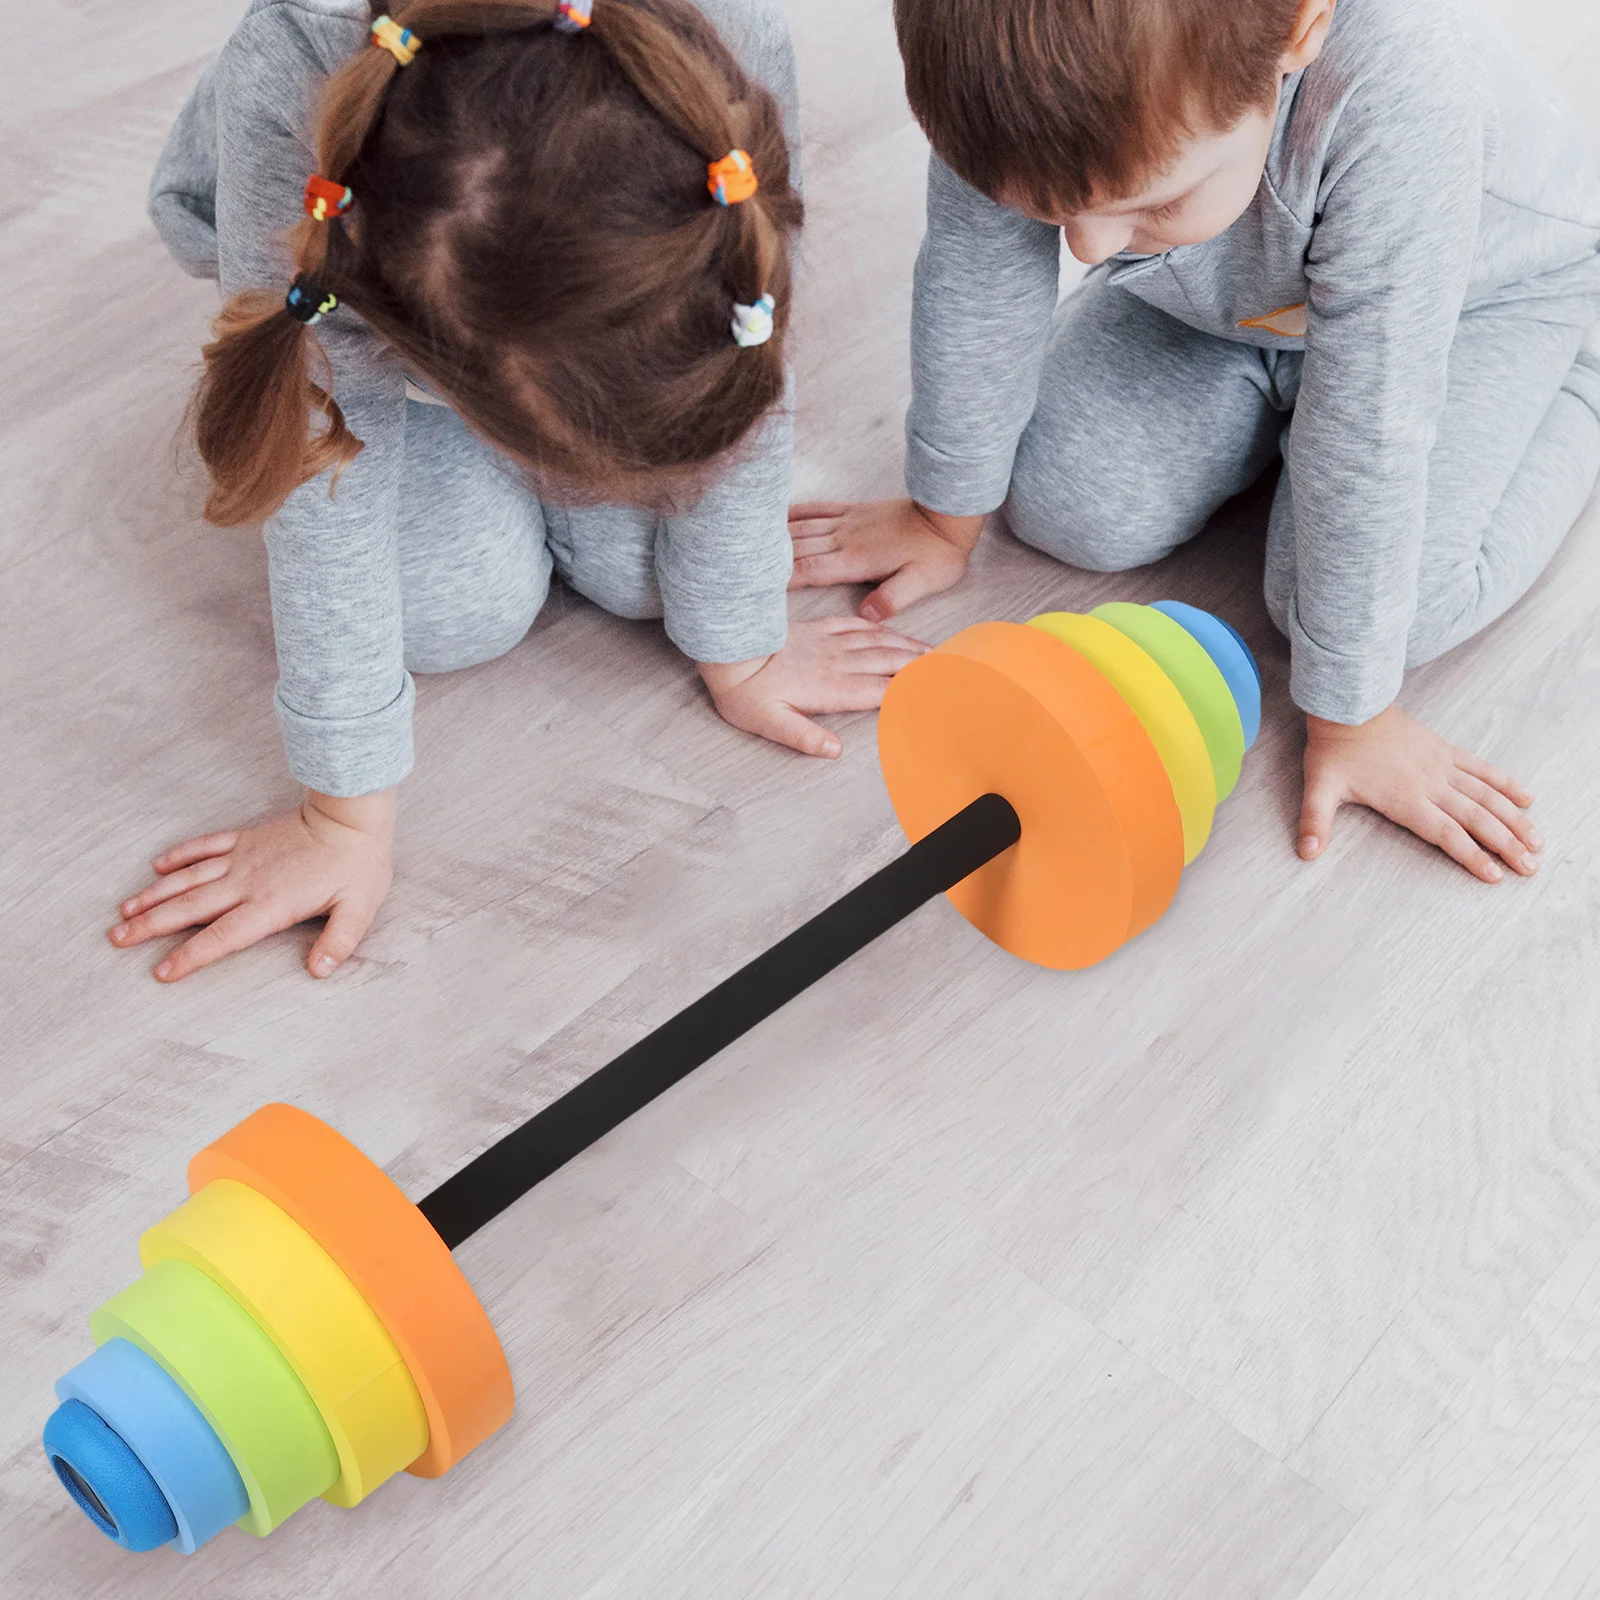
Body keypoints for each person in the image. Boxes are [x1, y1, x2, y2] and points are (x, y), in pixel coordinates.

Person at [112, 0, 923, 983]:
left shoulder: (726, 41)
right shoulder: (296, 76)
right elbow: (319, 468)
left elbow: (748, 347)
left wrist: (741, 641)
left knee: (659, 579)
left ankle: (586, 432)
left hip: (513, 298)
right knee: (456, 609)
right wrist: (344, 810)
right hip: (337, 265)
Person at [792, 0, 1600, 883]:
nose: (1090, 251)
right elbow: (974, 271)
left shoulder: (1404, 90)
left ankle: (1582, 377)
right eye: (1055, 212)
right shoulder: (998, 57)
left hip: (1485, 302)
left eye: (1151, 202)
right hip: (1244, 305)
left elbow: (1372, 423)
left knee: (1377, 615)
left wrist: (1353, 717)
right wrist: (944, 511)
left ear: (1298, 31)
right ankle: (1264, 378)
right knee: (1066, 498)